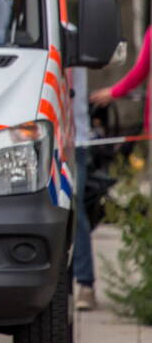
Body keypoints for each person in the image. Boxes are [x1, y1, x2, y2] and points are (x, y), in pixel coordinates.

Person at [72, 67, 96, 310]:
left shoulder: (72, 35)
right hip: (37, 133)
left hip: (73, 138)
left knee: (74, 207)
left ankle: (85, 282)